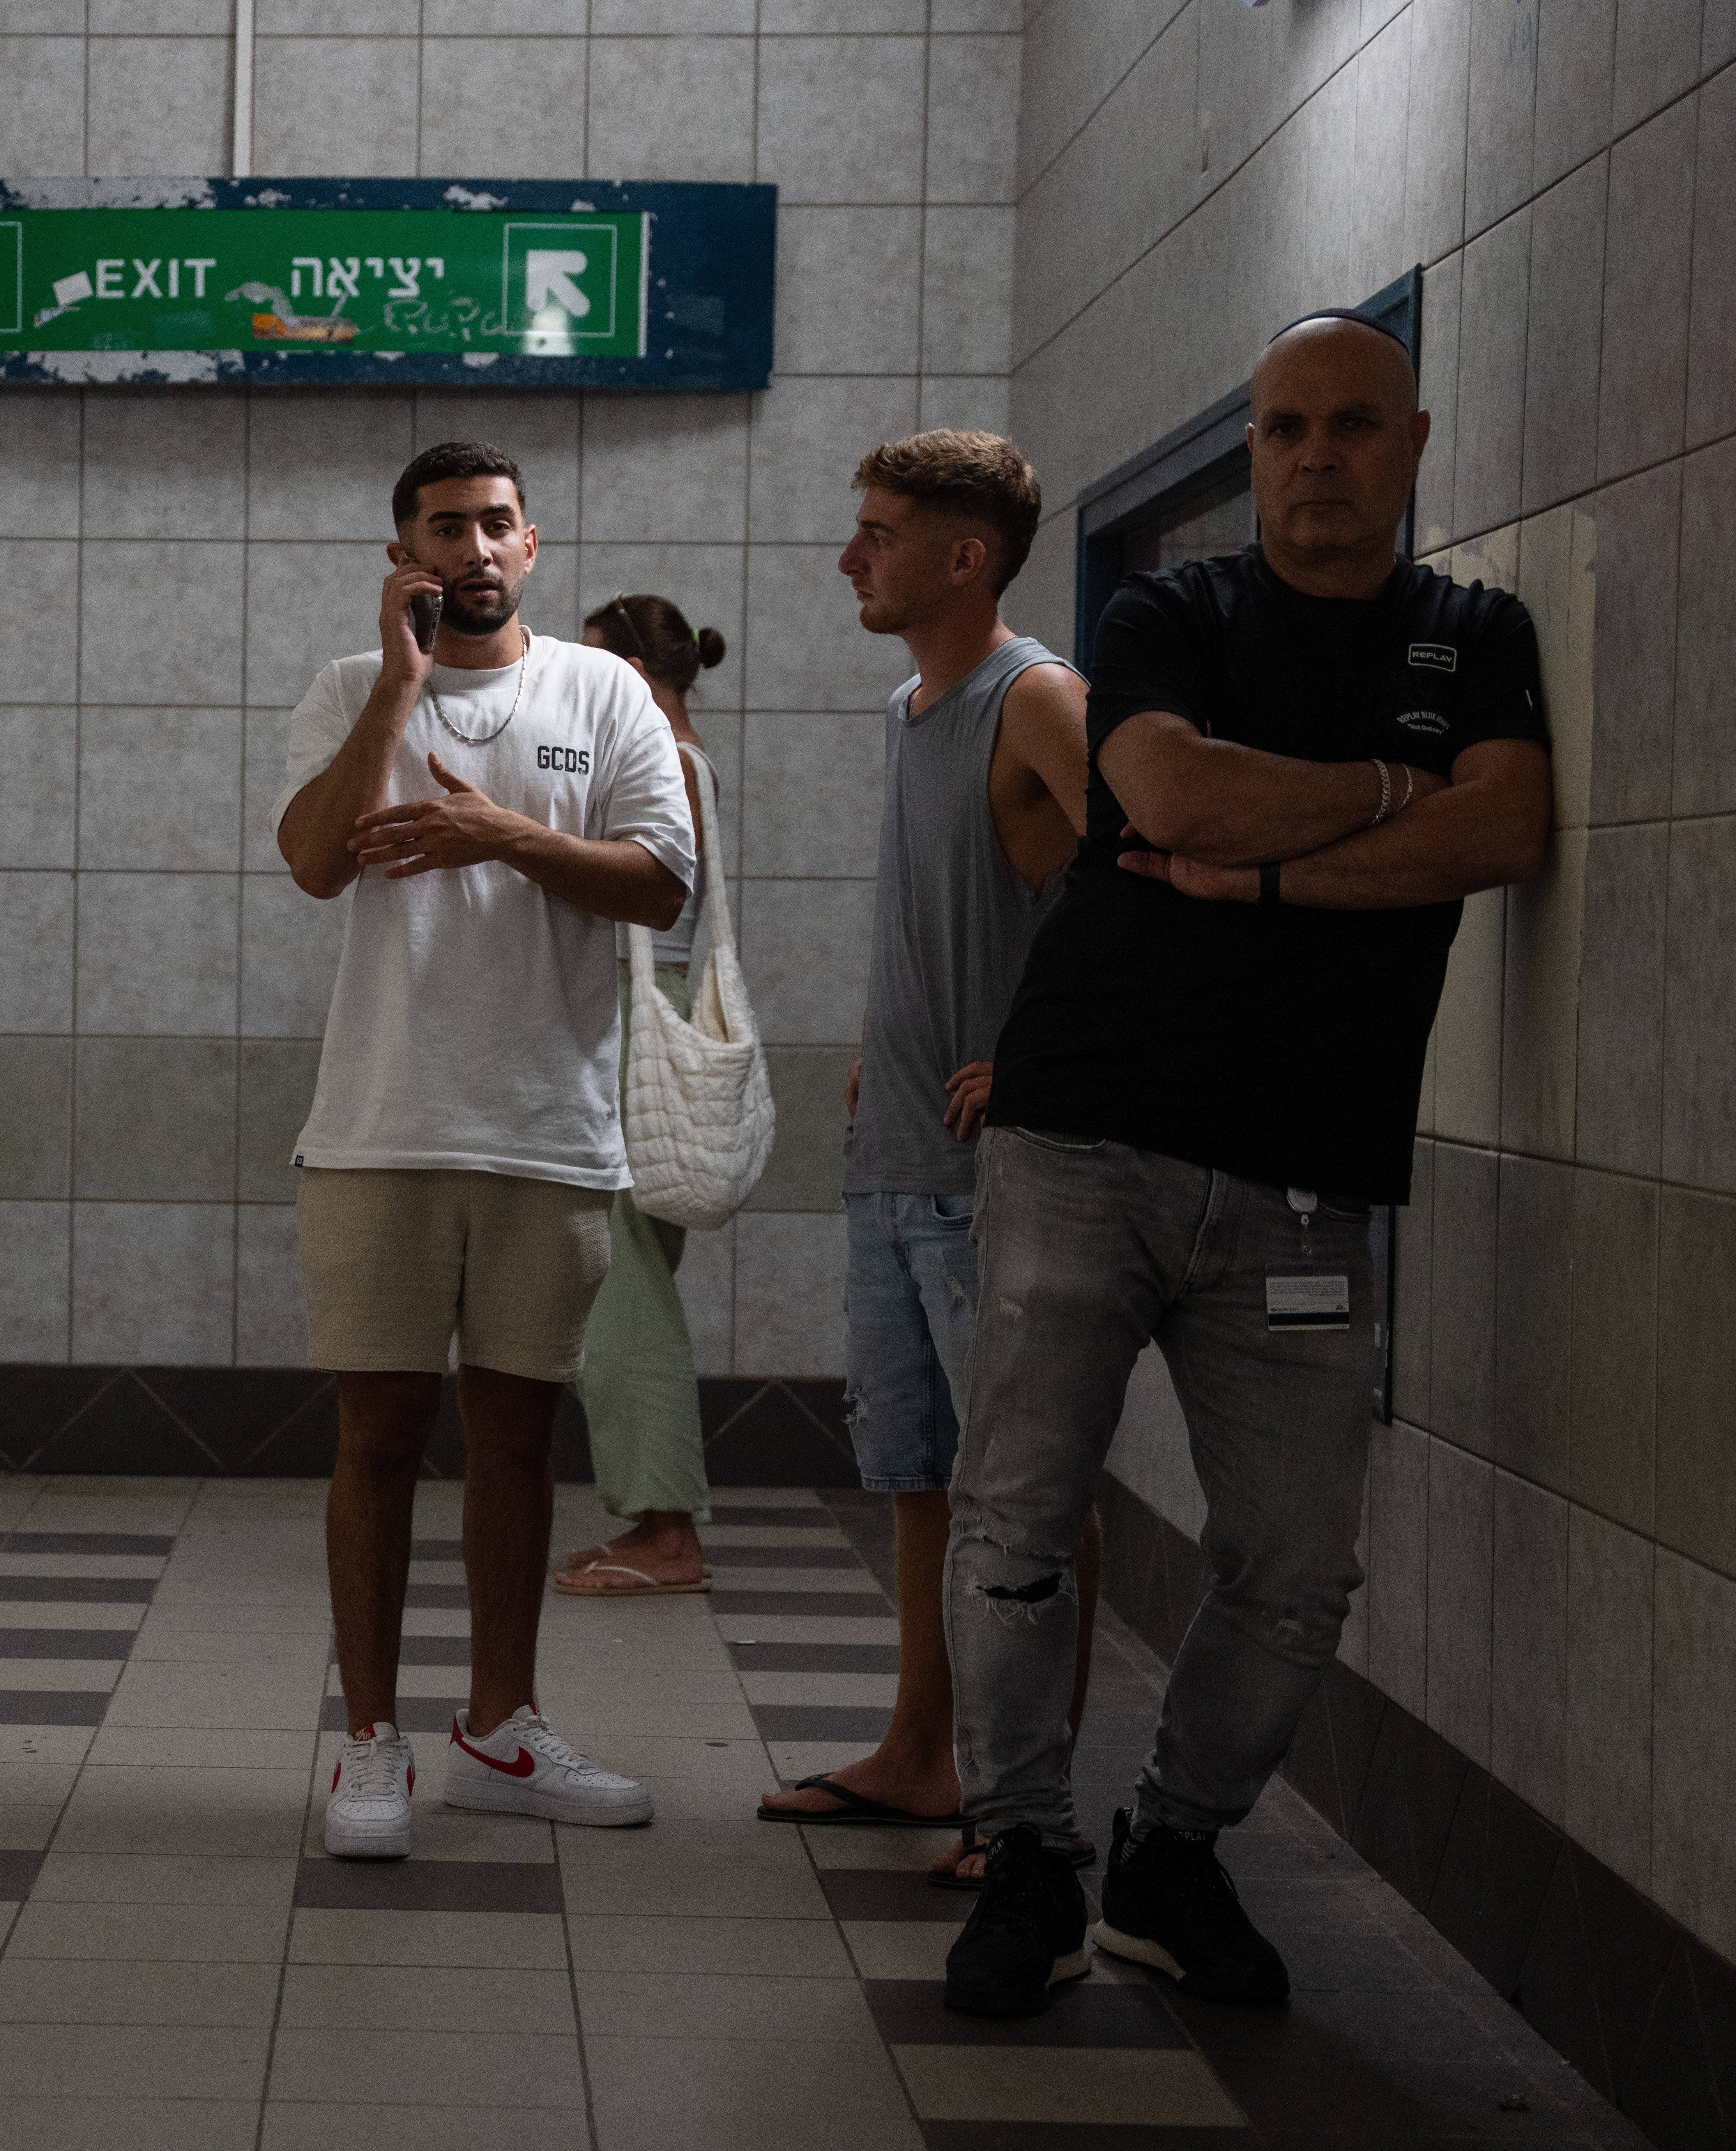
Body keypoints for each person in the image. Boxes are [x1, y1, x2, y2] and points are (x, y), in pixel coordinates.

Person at [940, 313, 1552, 2017]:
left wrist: (1287, 874)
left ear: (1414, 442)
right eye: (1284, 429)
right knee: (1017, 1520)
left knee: (1295, 1563)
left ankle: (1170, 1852)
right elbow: (1172, 802)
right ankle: (1026, 1862)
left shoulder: (1474, 633)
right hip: (1085, 1141)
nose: (1312, 458)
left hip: (1306, 1174)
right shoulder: (1168, 612)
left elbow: (1503, 832)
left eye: (1351, 426)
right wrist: (1382, 794)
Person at [274, 441, 697, 1859]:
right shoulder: (351, 689)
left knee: (517, 1437)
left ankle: (503, 1728)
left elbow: (661, 883)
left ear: (535, 546)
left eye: (497, 525)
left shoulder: (602, 691)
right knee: (379, 1436)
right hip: (380, 1129)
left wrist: (497, 832)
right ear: (402, 551)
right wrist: (398, 685)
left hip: (549, 1130)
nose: (474, 547)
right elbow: (315, 861)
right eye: (445, 527)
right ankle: (372, 1746)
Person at [750, 432, 1105, 1893]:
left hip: (993, 1178)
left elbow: (1150, 886)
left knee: (1024, 1491)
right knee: (913, 1477)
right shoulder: (915, 706)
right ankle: (921, 1754)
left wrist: (1047, 1056)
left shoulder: (1041, 700)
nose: (852, 557)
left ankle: (1033, 1804)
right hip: (890, 1155)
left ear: (968, 557)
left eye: (879, 534)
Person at [552, 594, 726, 1599]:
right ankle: (656, 1520)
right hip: (657, 1010)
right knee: (633, 1273)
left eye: (591, 664)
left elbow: (617, 885)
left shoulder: (658, 751)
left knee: (621, 1285)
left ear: (625, 663)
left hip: (634, 1014)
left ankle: (667, 1534)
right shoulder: (686, 748)